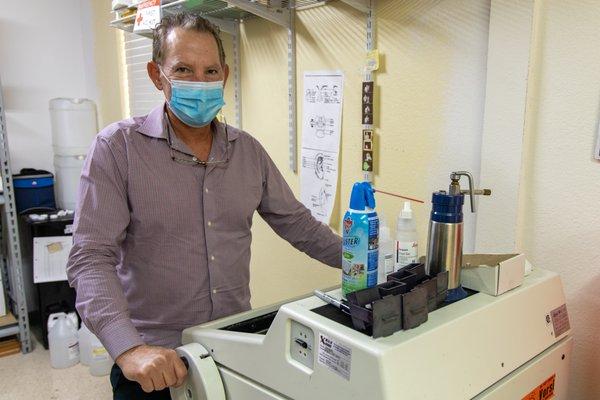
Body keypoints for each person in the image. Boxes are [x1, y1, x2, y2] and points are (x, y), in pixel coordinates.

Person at [66, 12, 341, 400]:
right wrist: (129, 349)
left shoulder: (247, 152)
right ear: (156, 75)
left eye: (210, 71)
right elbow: (90, 258)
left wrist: (361, 260)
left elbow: (298, 224)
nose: (200, 82)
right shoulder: (117, 150)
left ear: (225, 76)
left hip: (234, 350)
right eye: (183, 69)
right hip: (157, 360)